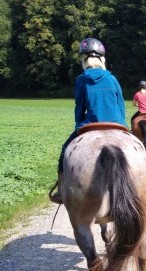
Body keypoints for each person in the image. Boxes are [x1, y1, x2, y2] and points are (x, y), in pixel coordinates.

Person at [49, 38, 127, 204]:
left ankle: (61, 189)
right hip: (116, 124)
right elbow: (121, 105)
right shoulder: (113, 79)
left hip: (91, 124)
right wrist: (123, 125)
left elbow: (80, 107)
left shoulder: (82, 80)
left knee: (65, 151)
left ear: (84, 60)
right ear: (102, 59)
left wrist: (79, 126)